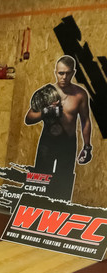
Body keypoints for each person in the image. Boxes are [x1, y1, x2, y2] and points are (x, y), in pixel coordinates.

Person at [24, 55, 92, 201]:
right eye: (61, 73)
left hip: (68, 143)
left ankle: (59, 209)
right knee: (40, 181)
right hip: (47, 142)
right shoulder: (47, 93)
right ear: (56, 72)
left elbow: (85, 120)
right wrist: (46, 111)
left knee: (64, 184)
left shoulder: (80, 95)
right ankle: (36, 209)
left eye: (68, 73)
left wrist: (87, 147)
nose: (64, 77)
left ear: (73, 73)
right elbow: (28, 119)